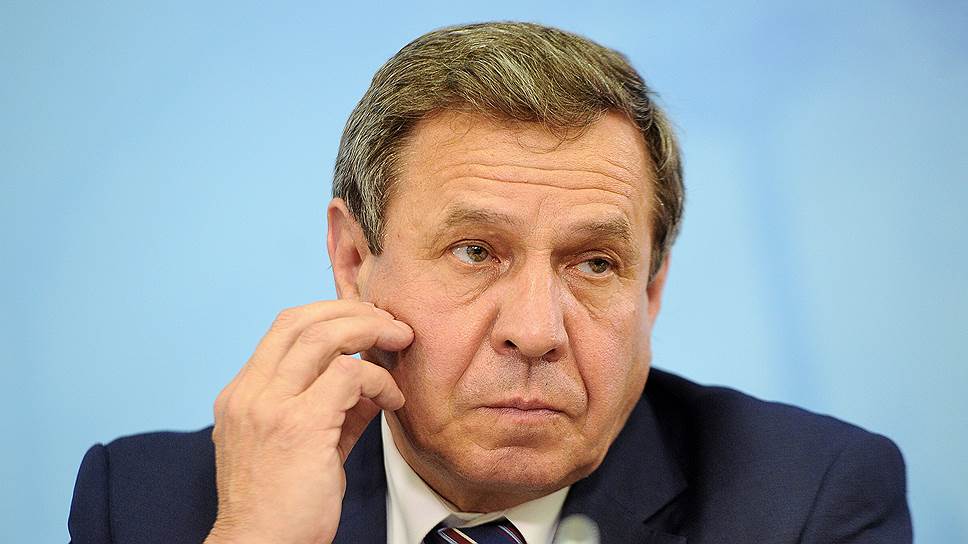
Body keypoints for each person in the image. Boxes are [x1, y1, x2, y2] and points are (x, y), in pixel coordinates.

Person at [68, 22, 912, 544]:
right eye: (476, 251)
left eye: (595, 263)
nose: (536, 331)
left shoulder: (806, 501)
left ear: (651, 291)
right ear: (354, 261)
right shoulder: (151, 505)